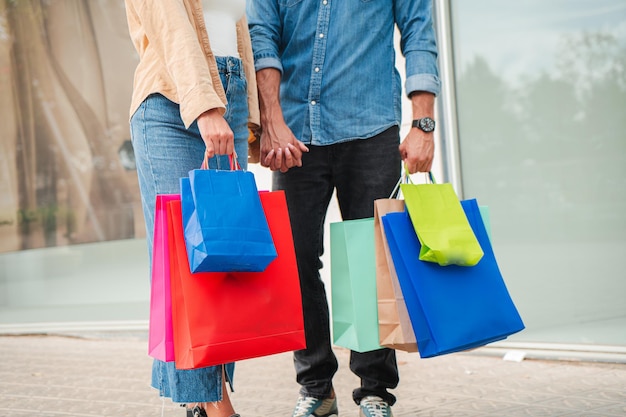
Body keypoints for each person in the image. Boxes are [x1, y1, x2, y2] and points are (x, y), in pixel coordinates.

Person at [247, 0, 441, 416]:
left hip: (370, 126)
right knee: (295, 262)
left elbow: (419, 32)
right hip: (294, 132)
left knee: (367, 262)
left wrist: (423, 124)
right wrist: (271, 118)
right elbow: (261, 36)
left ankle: (374, 390)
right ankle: (316, 387)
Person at [124, 1, 259, 416]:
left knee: (223, 258)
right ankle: (215, 404)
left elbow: (238, 33)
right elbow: (167, 20)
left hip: (226, 98)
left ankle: (202, 402)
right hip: (171, 99)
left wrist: (252, 120)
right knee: (185, 264)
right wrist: (204, 105)